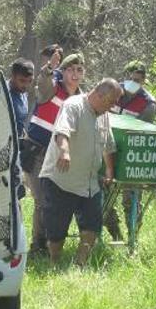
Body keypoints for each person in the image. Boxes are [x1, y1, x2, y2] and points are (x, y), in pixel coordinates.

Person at [39, 78, 121, 266]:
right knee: (57, 230)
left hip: (89, 182)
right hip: (63, 179)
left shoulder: (104, 115)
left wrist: (109, 169)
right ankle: (55, 262)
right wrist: (65, 152)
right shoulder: (73, 105)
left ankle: (80, 264)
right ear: (100, 95)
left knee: (93, 224)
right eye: (111, 102)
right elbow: (62, 132)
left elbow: (107, 144)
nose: (113, 106)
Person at [22, 52, 85, 255]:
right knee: (42, 201)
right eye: (70, 69)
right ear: (62, 72)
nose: (75, 74)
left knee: (55, 203)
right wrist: (49, 68)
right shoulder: (51, 88)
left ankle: (52, 242)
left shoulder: (81, 99)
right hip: (37, 153)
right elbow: (43, 81)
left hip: (60, 156)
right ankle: (37, 247)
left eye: (79, 70)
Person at [103, 60, 156, 242]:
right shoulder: (110, 91)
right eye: (131, 78)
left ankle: (132, 239)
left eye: (138, 80)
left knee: (131, 200)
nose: (133, 82)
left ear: (144, 81)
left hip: (129, 157)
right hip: (104, 152)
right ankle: (115, 234)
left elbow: (141, 135)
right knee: (102, 199)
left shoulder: (148, 103)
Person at [7, 58, 34, 199]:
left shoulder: (23, 93)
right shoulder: (3, 95)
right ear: (13, 76)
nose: (26, 85)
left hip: (17, 146)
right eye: (22, 81)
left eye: (29, 81)